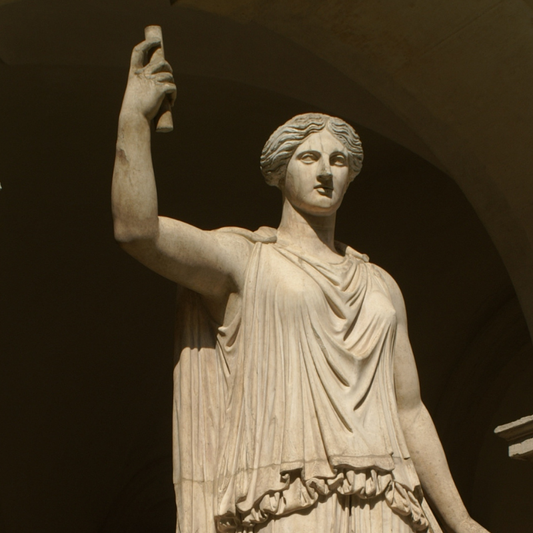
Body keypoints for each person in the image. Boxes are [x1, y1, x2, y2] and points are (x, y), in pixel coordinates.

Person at [112, 35, 491, 533]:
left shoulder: (380, 284)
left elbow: (410, 409)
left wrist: (460, 519)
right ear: (279, 170)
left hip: (388, 500)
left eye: (339, 161)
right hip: (291, 496)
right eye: (309, 158)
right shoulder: (246, 260)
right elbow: (138, 232)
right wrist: (134, 119)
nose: (326, 172)